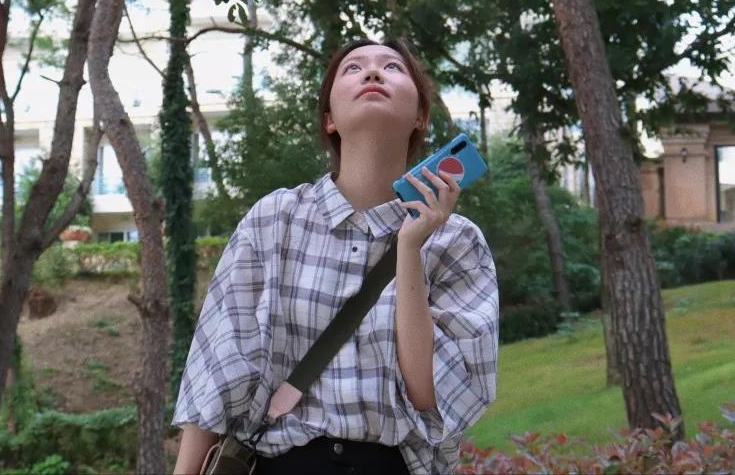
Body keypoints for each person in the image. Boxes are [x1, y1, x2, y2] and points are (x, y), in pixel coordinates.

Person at [172, 39, 499, 475]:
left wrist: (409, 247)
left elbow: (428, 396)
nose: (373, 72)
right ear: (329, 119)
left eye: (392, 67)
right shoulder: (275, 219)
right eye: (353, 68)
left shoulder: (458, 242)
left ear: (420, 116)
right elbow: (216, 372)